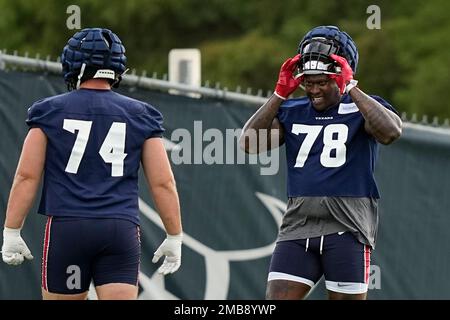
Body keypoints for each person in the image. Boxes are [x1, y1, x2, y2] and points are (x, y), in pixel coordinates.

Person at [1, 28, 183, 300]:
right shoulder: (141, 114)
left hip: (69, 228)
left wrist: (12, 230)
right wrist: (174, 235)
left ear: (75, 63)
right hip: (119, 230)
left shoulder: (49, 110)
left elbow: (26, 176)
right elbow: (163, 182)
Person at [239, 25, 402, 300]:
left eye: (322, 81)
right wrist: (280, 94)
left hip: (348, 226)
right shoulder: (292, 111)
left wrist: (353, 89)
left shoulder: (364, 107)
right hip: (298, 226)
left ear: (342, 76)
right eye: (308, 82)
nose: (313, 90)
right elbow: (248, 143)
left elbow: (390, 132)